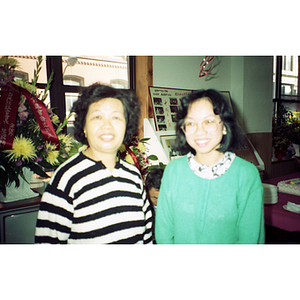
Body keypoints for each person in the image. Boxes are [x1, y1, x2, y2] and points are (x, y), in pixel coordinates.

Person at [35, 83, 153, 244]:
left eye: (116, 117)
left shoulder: (134, 176)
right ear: (84, 126)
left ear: (126, 126)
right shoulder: (66, 178)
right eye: (97, 117)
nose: (107, 126)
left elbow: (147, 238)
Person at [155, 89, 265, 244]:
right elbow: (163, 233)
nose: (200, 131)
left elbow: (251, 239)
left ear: (225, 126)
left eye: (209, 121)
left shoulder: (246, 174)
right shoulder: (174, 171)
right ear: (183, 129)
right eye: (191, 123)